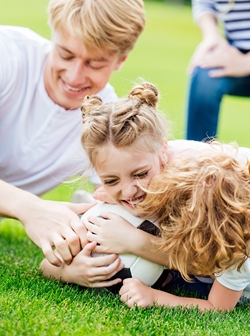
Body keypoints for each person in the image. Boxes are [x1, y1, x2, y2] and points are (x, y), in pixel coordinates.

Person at [40, 81, 250, 294]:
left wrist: (135, 241)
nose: (129, 191)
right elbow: (47, 265)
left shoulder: (199, 184)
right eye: (111, 180)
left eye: (140, 174)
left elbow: (216, 263)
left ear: (163, 151)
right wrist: (69, 272)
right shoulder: (124, 193)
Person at [0, 0, 145, 270]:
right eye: (65, 55)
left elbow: (112, 206)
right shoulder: (7, 55)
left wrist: (77, 264)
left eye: (95, 64)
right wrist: (29, 207)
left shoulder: (108, 122)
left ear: (120, 60)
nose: (75, 76)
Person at [120, 142, 250, 312]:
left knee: (186, 284)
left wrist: (153, 297)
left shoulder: (239, 255)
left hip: (227, 287)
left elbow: (218, 307)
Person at [186, 0, 250, 141]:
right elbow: (205, 4)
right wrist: (212, 36)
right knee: (204, 76)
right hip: (235, 51)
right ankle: (199, 159)